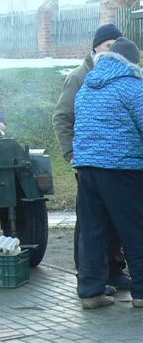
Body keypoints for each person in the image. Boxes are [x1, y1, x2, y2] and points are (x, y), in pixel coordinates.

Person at [52, 23, 130, 292]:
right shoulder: (79, 76)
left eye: (115, 47)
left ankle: (113, 269)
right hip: (86, 158)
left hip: (113, 158)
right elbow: (62, 117)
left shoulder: (121, 75)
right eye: (108, 47)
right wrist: (71, 154)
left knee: (114, 218)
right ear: (97, 47)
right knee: (89, 222)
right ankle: (86, 273)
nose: (112, 52)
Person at [73, 37, 143, 309]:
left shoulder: (87, 86)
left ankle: (91, 292)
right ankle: (141, 292)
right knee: (135, 229)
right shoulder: (132, 87)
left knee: (93, 231)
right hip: (122, 168)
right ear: (132, 63)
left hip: (87, 169)